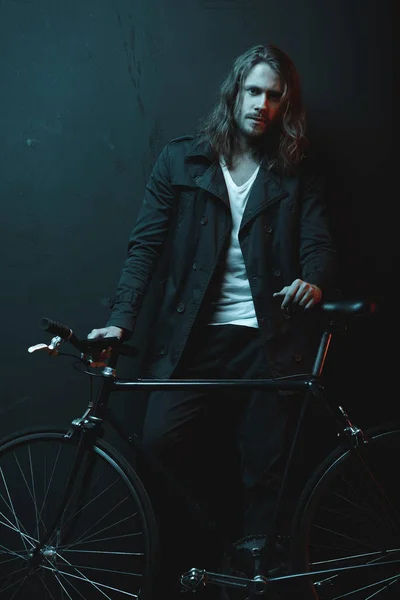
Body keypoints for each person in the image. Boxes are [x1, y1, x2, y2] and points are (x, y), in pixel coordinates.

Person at [88, 43, 337, 598]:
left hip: (270, 340)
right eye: (254, 91)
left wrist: (314, 280)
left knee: (266, 471)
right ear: (235, 93)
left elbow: (319, 241)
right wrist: (119, 323)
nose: (262, 105)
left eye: (275, 95)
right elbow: (144, 248)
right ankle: (222, 545)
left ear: (285, 105)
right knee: (158, 441)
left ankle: (252, 574)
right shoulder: (181, 161)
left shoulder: (297, 170)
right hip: (192, 339)